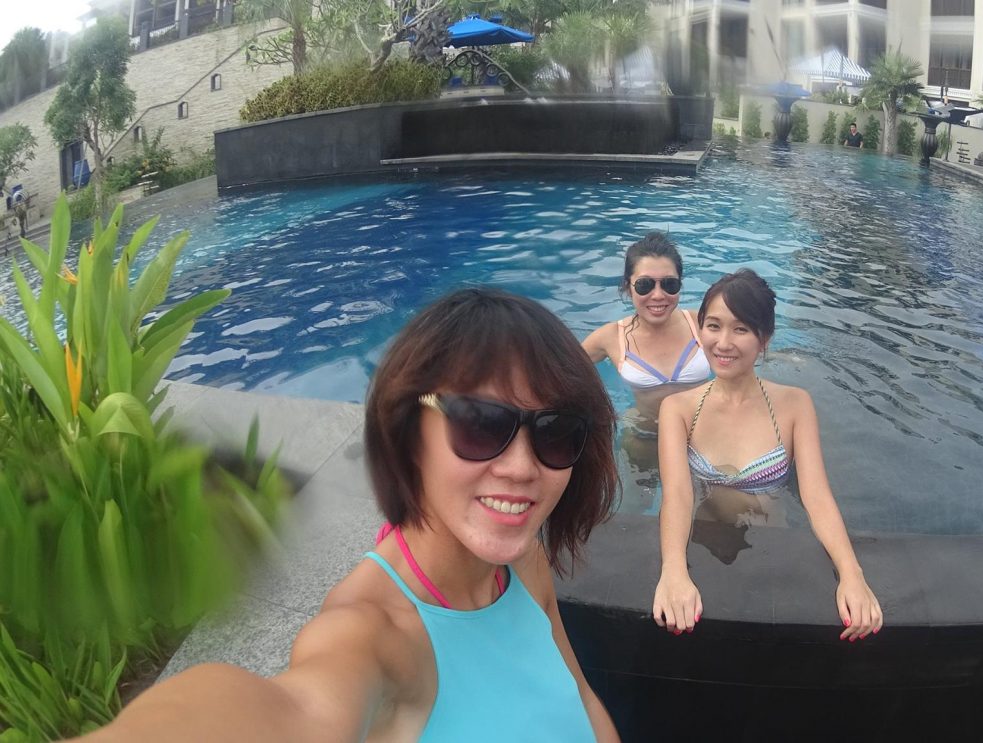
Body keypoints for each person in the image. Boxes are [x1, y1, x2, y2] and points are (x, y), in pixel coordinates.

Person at [81, 288, 621, 742]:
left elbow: (582, 697)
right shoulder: (371, 635)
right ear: (409, 433)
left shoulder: (524, 565)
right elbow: (290, 712)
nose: (522, 467)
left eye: (556, 433)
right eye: (480, 424)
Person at [651, 269, 882, 642]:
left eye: (740, 329)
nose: (723, 342)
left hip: (772, 540)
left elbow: (816, 495)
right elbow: (677, 493)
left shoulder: (795, 405)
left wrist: (851, 574)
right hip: (703, 537)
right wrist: (674, 569)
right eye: (713, 325)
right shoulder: (677, 409)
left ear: (765, 338)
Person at [581, 233, 711, 496]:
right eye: (645, 285)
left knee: (707, 517)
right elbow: (560, 370)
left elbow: (741, 351)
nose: (658, 295)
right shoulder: (610, 337)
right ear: (627, 286)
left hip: (703, 438)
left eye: (670, 284)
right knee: (635, 509)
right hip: (644, 436)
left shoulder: (702, 324)